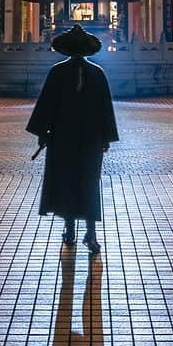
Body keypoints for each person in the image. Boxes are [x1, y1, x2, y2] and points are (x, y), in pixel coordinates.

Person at [26, 23, 119, 253]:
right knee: (88, 182)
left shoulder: (58, 72)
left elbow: (46, 106)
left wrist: (42, 133)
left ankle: (70, 230)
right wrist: (106, 137)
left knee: (67, 180)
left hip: (63, 137)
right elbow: (105, 109)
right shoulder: (97, 73)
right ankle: (90, 233)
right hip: (90, 138)